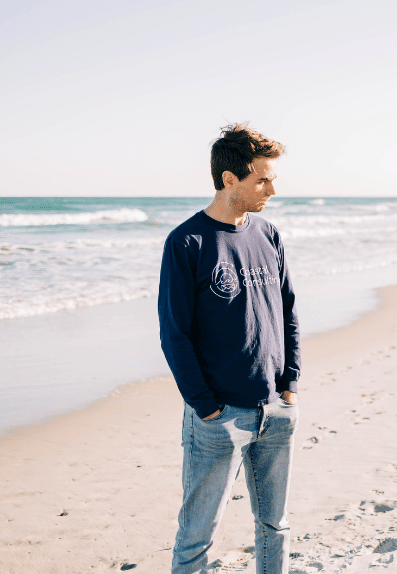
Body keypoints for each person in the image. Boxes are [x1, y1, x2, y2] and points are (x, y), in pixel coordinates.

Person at [158, 123, 300, 574]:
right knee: (198, 533)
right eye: (263, 179)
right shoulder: (187, 242)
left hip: (275, 408)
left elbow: (289, 310)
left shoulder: (268, 234)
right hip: (219, 415)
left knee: (274, 526)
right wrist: (205, 407)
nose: (272, 189)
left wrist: (290, 384)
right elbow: (174, 333)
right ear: (229, 179)